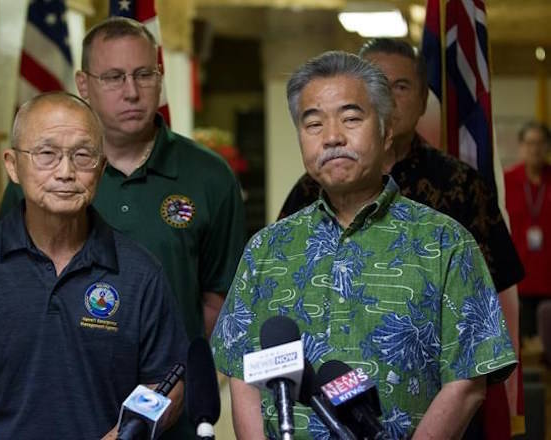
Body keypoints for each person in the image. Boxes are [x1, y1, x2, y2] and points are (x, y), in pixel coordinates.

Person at [211, 51, 517, 439]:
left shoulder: (446, 243)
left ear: (386, 130)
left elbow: (468, 382)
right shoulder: (266, 249)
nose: (333, 137)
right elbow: (241, 373)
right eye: (313, 123)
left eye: (351, 118)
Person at [0, 92, 187, 439]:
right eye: (46, 154)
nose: (66, 172)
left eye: (83, 155)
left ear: (101, 169)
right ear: (12, 164)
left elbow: (167, 383)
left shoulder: (140, 272)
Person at [0, 17, 245, 343]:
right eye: (114, 77)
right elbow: (10, 283)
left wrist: (163, 357)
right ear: (83, 85)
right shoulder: (39, 178)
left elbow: (220, 299)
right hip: (67, 375)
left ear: (159, 79)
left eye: (144, 75)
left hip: (178, 374)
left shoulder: (209, 175)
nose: (131, 92)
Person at [505, 121, 551, 338]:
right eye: (530, 143)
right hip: (518, 285)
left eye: (541, 143)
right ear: (521, 146)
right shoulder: (506, 182)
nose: (535, 149)